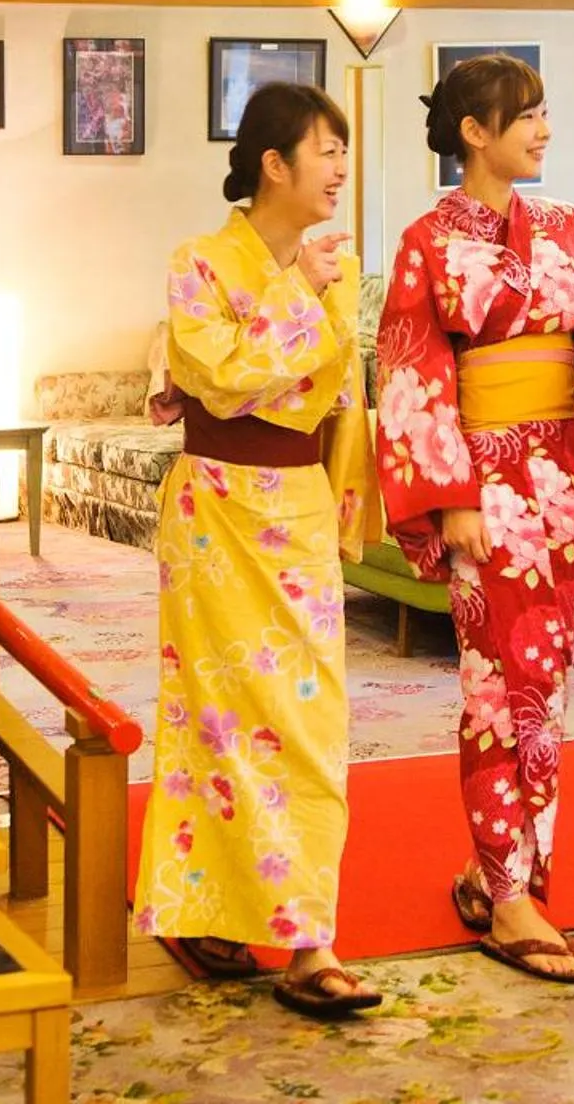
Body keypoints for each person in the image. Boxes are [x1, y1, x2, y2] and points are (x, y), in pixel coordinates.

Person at [132, 81, 384, 1018]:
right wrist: (296, 289)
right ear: (274, 164)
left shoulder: (334, 268)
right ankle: (211, 908)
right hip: (216, 512)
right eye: (327, 150)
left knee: (308, 722)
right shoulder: (199, 262)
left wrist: (352, 507)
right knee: (214, 718)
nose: (341, 168)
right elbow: (223, 377)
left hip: (299, 506)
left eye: (344, 151)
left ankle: (309, 936)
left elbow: (344, 400)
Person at [375, 53, 574, 984]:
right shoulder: (428, 241)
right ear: (474, 133)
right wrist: (450, 498)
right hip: (484, 486)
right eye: (526, 117)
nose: (544, 130)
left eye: (545, 113)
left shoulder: (566, 226)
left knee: (545, 688)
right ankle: (512, 896)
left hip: (564, 479)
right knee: (497, 688)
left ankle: (496, 874)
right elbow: (411, 368)